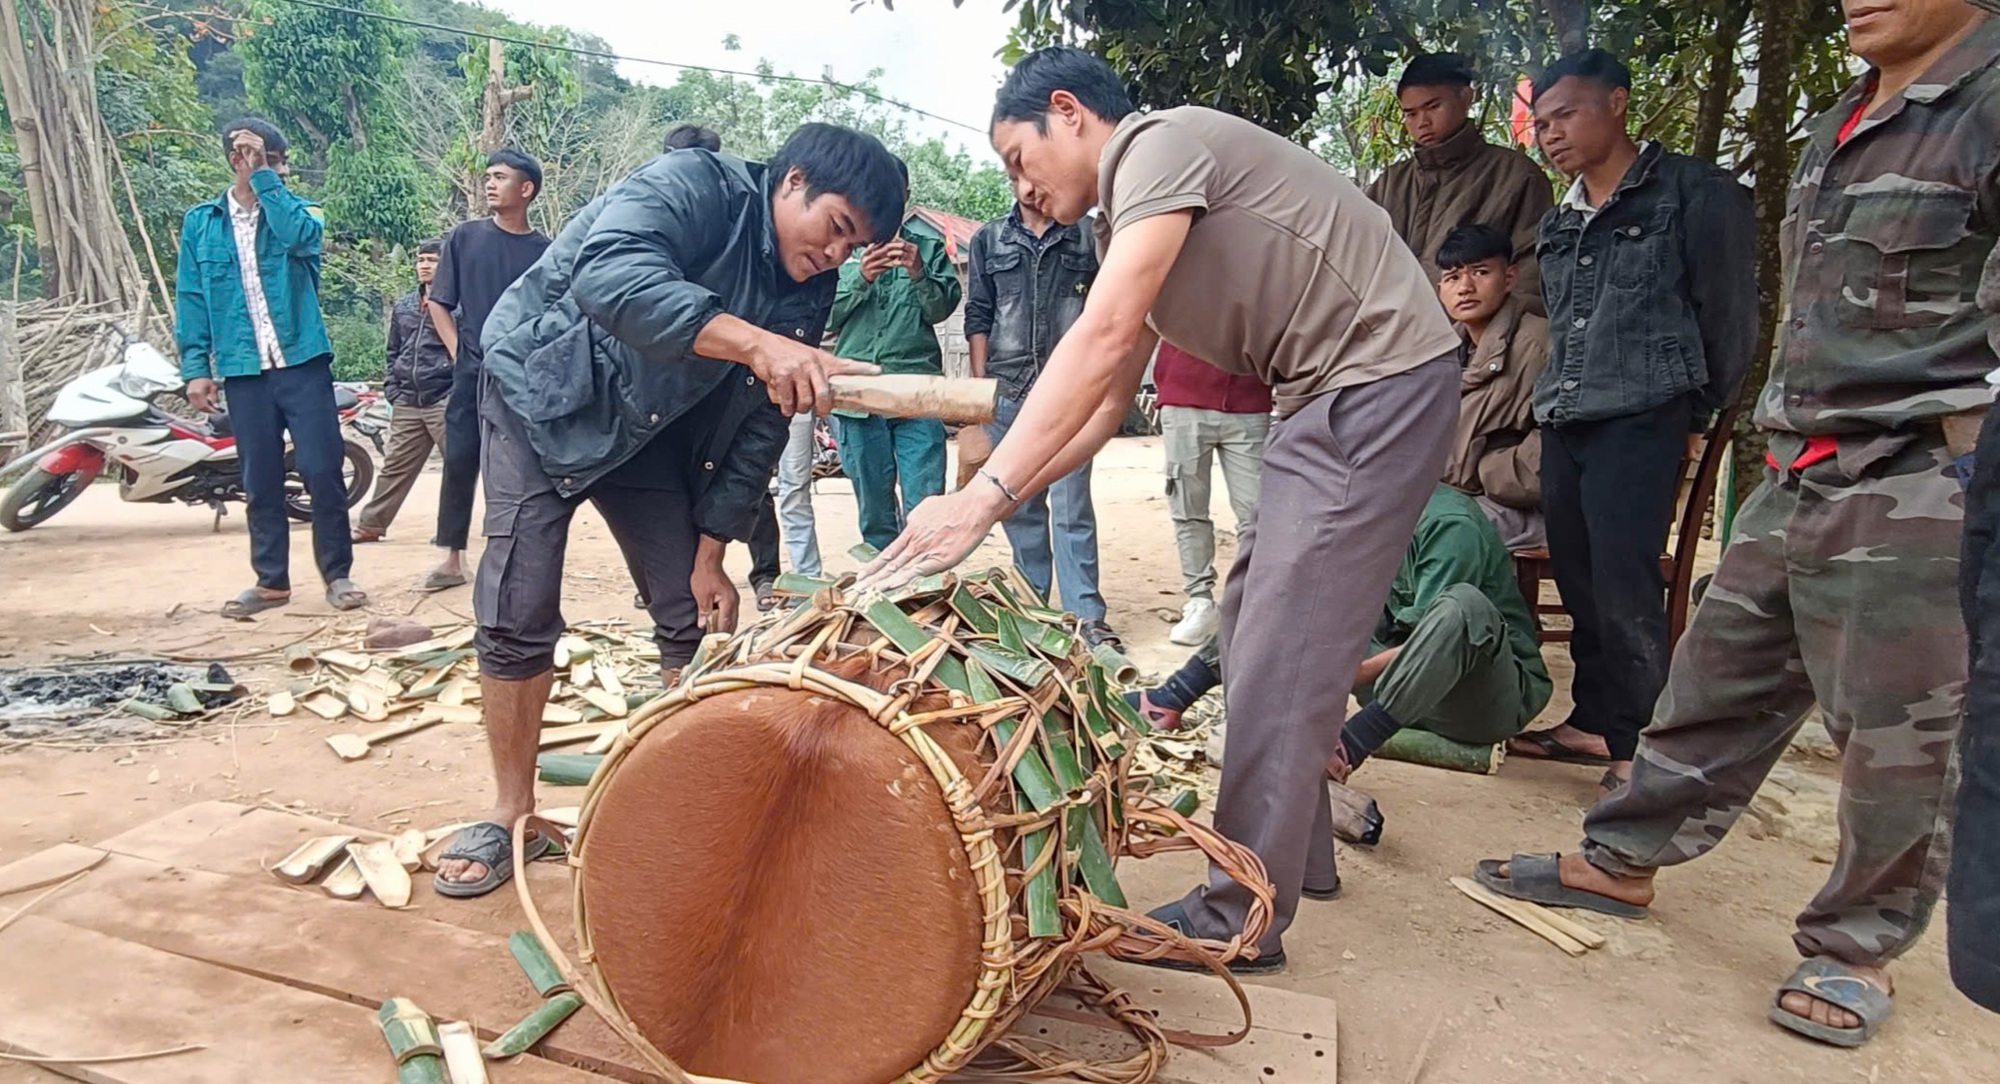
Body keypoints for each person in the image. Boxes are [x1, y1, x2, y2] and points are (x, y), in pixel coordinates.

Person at [857, 47, 1463, 972]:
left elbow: (1100, 338)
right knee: (1253, 622)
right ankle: (1299, 857)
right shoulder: (1126, 221)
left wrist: (979, 497)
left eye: (1019, 159)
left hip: (1373, 384)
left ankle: (1238, 918)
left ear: (1068, 111)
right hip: (1322, 399)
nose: (1021, 188)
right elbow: (1107, 406)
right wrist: (998, 499)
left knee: (1283, 649)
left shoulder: (1157, 146)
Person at [1477, 1, 1999, 1048]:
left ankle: (1854, 945)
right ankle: (1620, 857)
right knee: (1714, 676)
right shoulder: (1845, 116)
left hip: (1919, 473)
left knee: (1896, 733)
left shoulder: (1986, 103)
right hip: (1801, 459)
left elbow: (1722, 308)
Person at [430, 123, 903, 899]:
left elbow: (764, 419)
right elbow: (609, 273)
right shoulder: (695, 184)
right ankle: (513, 812)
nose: (836, 255)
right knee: (518, 602)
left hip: (645, 428)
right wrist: (754, 343)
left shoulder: (808, 284)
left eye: (854, 247)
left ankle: (685, 798)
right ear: (793, 183)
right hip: (538, 392)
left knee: (692, 609)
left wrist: (714, 547)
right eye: (836, 228)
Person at [1505, 50, 1757, 790]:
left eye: (1567, 115)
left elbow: (1729, 316)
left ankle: (1640, 750)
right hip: (1568, 415)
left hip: (1646, 413)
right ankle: (1594, 721)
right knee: (1579, 573)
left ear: (1617, 102)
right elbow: (1565, 326)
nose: (1552, 134)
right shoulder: (1560, 220)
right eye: (1542, 124)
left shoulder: (1693, 193)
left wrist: (1700, 414)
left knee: (1625, 579)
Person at [1134, 484, 1549, 809]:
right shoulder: (1361, 513)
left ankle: (1349, 747)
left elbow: (1433, 640)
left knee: (1464, 606)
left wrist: (1351, 673)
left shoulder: (1449, 524)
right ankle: (1171, 697)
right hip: (1390, 686)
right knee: (1284, 585)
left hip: (1475, 700)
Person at [175, 117, 368, 617]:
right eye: (262, 159)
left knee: (322, 470)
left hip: (302, 362)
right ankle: (271, 582)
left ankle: (338, 575)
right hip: (243, 370)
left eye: (277, 161)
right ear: (232, 160)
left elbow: (302, 239)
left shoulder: (301, 210)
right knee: (259, 479)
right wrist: (196, 367)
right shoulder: (202, 223)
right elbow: (192, 297)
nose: (275, 170)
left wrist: (264, 178)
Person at [964, 199, 1121, 648]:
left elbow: (1108, 314)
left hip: (1071, 391)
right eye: (1015, 174)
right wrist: (983, 391)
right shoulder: (989, 239)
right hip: (1008, 389)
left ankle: (1086, 616)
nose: (1028, 185)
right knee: (1019, 505)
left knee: (1072, 505)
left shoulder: (1089, 236)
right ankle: (1032, 609)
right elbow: (979, 314)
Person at [424, 149, 552, 592]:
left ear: (526, 189)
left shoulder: (546, 252)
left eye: (500, 177)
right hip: (471, 371)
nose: (490, 184)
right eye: (489, 177)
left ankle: (516, 554)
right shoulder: (466, 237)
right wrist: (459, 352)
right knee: (461, 458)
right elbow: (439, 302)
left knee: (520, 466)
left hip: (521, 375)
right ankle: (451, 558)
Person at [827, 161, 963, 551]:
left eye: (894, 191)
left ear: (906, 195)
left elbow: (940, 311)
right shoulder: (841, 249)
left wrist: (919, 272)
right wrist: (861, 277)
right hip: (858, 397)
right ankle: (883, 580)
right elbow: (823, 318)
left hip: (917, 393)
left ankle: (922, 581)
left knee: (926, 502)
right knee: (874, 508)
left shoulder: (929, 248)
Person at [1366, 52, 1552, 308]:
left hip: (1481, 331)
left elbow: (1529, 277)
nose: (1423, 123)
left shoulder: (1516, 176)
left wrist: (1487, 331)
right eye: (1411, 114)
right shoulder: (1390, 183)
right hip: (1394, 328)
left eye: (1433, 107)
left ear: (1466, 97)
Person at [1435, 223, 1549, 549]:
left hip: (1517, 507)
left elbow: (1559, 445)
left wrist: (1485, 469)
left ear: (1510, 278)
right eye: (1452, 277)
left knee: (1434, 537)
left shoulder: (1542, 345)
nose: (1465, 287)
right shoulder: (1438, 355)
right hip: (1451, 496)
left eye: (1481, 272)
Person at [1153, 342, 1271, 646]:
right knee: (1188, 508)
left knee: (1257, 515)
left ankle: (1252, 600)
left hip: (1249, 398)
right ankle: (1200, 600)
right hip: (1184, 394)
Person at [352, 240, 452, 543]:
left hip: (444, 397)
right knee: (395, 465)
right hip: (408, 398)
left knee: (459, 467)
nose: (424, 265)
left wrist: (457, 391)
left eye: (431, 260)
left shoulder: (459, 305)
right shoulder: (405, 306)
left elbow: (467, 351)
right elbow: (393, 350)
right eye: (420, 260)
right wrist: (392, 387)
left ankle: (451, 530)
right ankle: (371, 525)